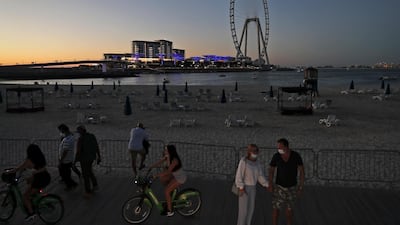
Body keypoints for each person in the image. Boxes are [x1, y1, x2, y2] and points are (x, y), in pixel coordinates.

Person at [8, 144, 51, 221]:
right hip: (45, 177)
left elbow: (19, 168)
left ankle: (31, 213)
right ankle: (34, 203)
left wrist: (8, 171)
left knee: (25, 196)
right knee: (31, 189)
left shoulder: (29, 160)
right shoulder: (40, 157)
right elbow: (43, 168)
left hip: (39, 180)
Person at [268, 138, 305, 225]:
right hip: (279, 187)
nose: (279, 149)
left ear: (286, 147)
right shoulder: (276, 156)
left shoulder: (296, 156)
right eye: (278, 147)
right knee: (276, 209)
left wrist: (301, 187)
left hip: (292, 187)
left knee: (289, 211)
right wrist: (270, 183)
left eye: (280, 147)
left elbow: (302, 171)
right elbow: (271, 170)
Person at [234, 144, 269, 225]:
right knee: (243, 211)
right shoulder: (243, 161)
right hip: (244, 188)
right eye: (253, 151)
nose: (255, 152)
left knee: (250, 209)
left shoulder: (257, 163)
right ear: (249, 151)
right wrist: (241, 187)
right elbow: (239, 175)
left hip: (253, 188)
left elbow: (260, 176)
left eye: (256, 150)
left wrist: (266, 184)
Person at [148, 144, 186, 217]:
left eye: (166, 150)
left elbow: (168, 171)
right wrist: (151, 167)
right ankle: (172, 190)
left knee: (166, 191)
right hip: (174, 175)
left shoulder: (175, 160)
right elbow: (159, 162)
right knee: (163, 179)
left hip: (179, 178)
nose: (164, 151)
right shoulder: (168, 156)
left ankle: (170, 211)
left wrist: (156, 175)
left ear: (170, 151)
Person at [75, 125, 101, 198]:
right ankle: (95, 185)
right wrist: (99, 156)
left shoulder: (81, 139)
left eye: (78, 131)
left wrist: (75, 160)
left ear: (81, 131)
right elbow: (96, 146)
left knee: (85, 175)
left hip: (84, 159)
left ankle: (88, 191)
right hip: (91, 158)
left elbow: (78, 151)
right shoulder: (92, 136)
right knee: (89, 171)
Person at [57, 124, 78, 190]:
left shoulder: (67, 139)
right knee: (67, 173)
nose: (60, 132)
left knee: (65, 174)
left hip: (65, 160)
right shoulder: (71, 137)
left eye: (60, 130)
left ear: (63, 130)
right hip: (69, 159)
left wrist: (61, 160)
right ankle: (73, 184)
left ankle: (70, 185)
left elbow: (65, 151)